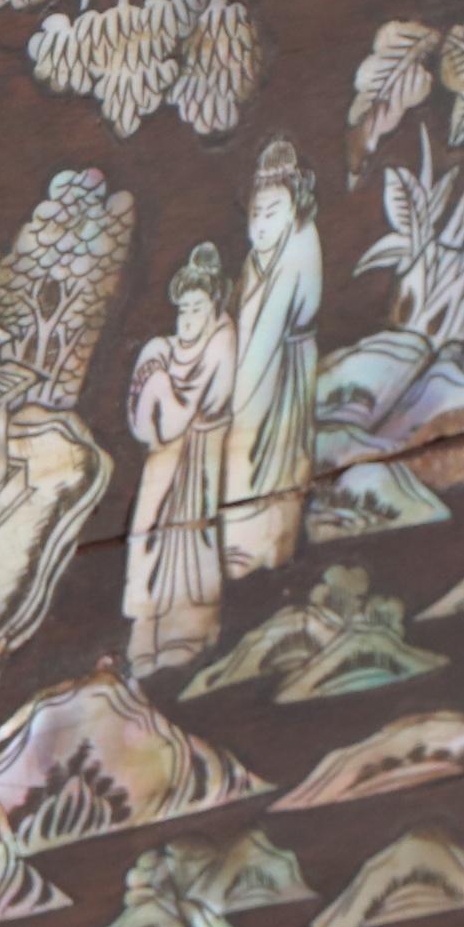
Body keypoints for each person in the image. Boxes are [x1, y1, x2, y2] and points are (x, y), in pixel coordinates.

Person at [125, 244, 237, 680]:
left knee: (188, 541)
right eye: (182, 311)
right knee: (148, 534)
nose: (187, 320)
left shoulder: (221, 344)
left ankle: (185, 633)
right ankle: (148, 628)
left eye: (196, 309)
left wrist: (156, 379)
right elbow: (144, 428)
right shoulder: (172, 347)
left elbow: (171, 422)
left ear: (213, 309)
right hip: (166, 463)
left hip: (199, 462)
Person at [223, 138, 322, 578]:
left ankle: (259, 551)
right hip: (260, 366)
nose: (261, 225)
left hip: (278, 374)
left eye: (273, 212)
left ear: (294, 208)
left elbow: (263, 341)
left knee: (268, 457)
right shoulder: (260, 255)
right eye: (256, 215)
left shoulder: (299, 247)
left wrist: (236, 407)